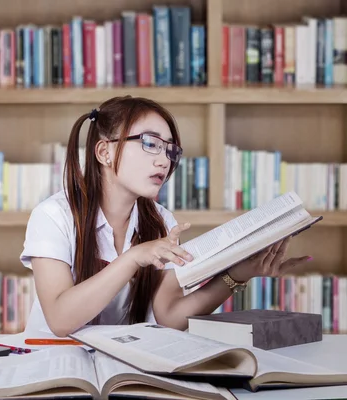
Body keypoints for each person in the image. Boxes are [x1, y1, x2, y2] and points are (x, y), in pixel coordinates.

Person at [19, 95, 312, 337]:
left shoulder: (161, 221)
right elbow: (59, 319)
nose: (164, 160)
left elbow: (170, 315)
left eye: (170, 149)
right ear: (104, 152)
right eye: (150, 143)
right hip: (56, 364)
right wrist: (134, 257)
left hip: (124, 367)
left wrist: (239, 273)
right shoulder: (53, 216)